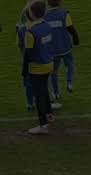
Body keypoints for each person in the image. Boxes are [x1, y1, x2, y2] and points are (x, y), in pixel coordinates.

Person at [22, 1, 54, 134]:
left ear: (31, 13)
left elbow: (28, 54)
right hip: (49, 64)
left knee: (38, 95)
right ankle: (50, 114)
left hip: (36, 67)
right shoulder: (47, 26)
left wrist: (24, 70)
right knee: (45, 89)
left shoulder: (30, 32)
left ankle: (43, 125)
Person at [45, 0, 80, 98]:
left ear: (48, 3)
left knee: (53, 72)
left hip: (52, 49)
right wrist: (76, 39)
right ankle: (69, 83)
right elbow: (71, 28)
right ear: (60, 2)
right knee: (70, 65)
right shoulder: (64, 14)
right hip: (65, 47)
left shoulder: (45, 16)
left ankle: (56, 93)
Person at [17, 9, 35, 111]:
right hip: (38, 59)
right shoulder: (39, 27)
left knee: (28, 82)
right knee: (40, 81)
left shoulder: (21, 29)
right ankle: (38, 99)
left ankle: (29, 103)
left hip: (26, 59)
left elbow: (20, 45)